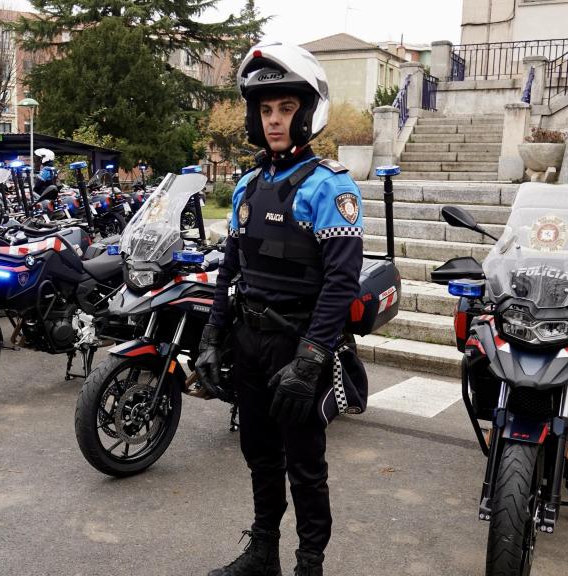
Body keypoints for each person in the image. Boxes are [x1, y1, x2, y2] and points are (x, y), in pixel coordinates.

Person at [196, 41, 365, 576]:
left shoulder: (331, 187)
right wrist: (210, 338)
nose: (274, 121)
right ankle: (263, 551)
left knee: (306, 467)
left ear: (307, 112)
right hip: (249, 343)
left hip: (299, 347)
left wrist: (313, 359)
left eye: (286, 109)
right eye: (266, 110)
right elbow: (230, 272)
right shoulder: (247, 186)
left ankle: (308, 564)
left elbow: (341, 282)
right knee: (259, 455)